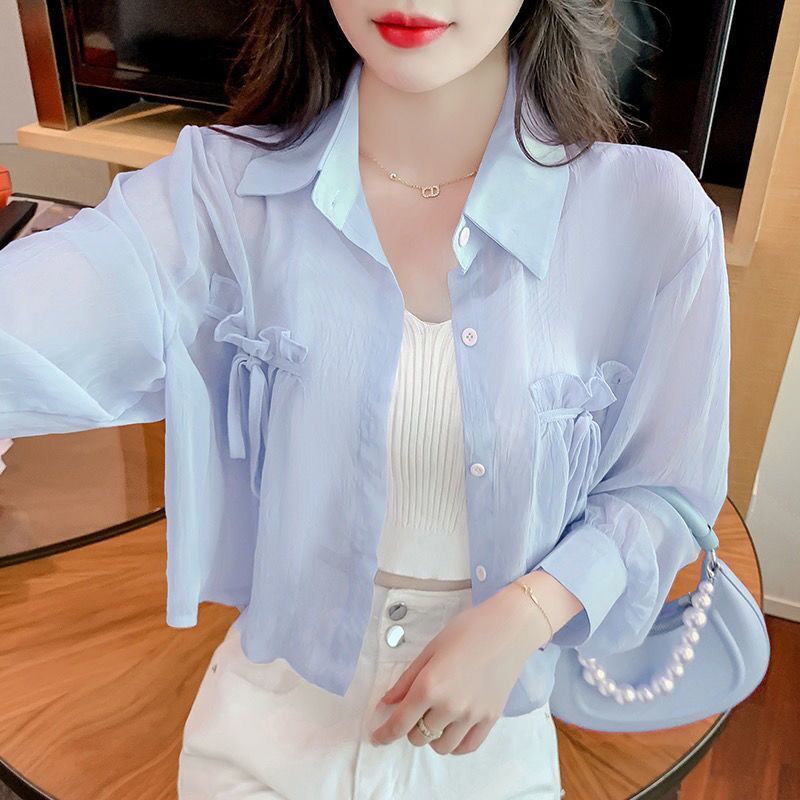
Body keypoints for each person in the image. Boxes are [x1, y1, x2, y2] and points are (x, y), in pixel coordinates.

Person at [0, 0, 731, 798]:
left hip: (488, 748)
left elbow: (665, 488)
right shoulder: (218, 192)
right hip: (261, 741)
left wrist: (526, 613)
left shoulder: (651, 218)